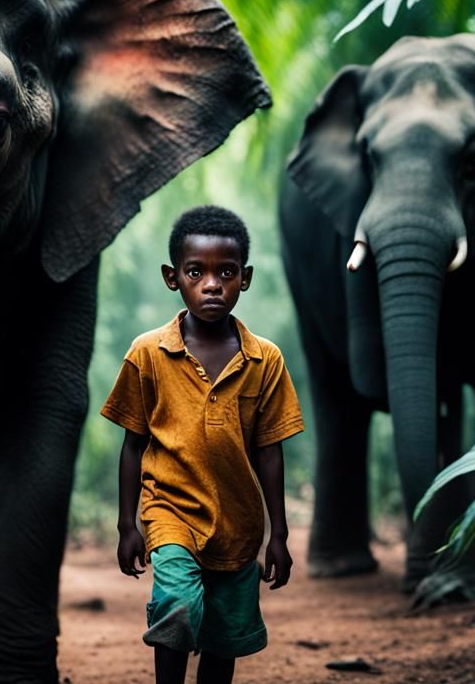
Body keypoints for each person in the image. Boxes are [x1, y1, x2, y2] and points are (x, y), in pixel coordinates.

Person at [101, 205, 305, 684]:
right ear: (173, 278)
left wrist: (280, 534)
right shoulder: (147, 353)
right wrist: (126, 524)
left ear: (245, 278)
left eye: (226, 272)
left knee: (224, 635)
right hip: (169, 511)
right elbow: (133, 446)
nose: (212, 284)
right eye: (197, 272)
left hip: (238, 525)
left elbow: (270, 451)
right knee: (175, 605)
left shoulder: (264, 360)